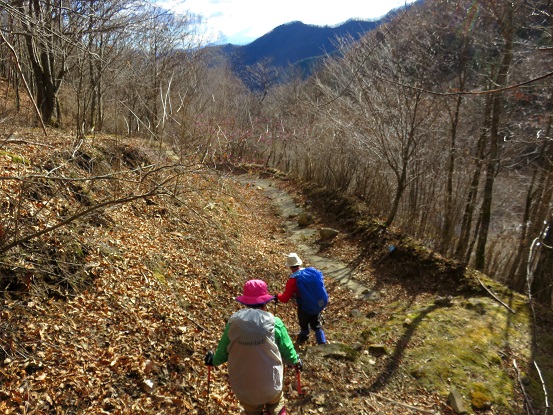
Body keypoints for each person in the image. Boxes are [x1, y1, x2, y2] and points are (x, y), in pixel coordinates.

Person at [205, 279, 302, 415]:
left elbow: (222, 353)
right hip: (271, 385)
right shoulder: (275, 323)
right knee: (277, 406)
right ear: (265, 302)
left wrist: (212, 360)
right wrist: (296, 361)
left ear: (245, 302)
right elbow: (288, 351)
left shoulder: (233, 324)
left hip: (244, 389)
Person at [275, 253, 327, 345]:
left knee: (304, 324)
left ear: (290, 267)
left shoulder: (292, 280)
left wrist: (277, 296)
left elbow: (285, 298)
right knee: (316, 324)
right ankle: (322, 343)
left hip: (304, 306)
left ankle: (302, 338)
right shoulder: (310, 272)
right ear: (299, 263)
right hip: (316, 303)